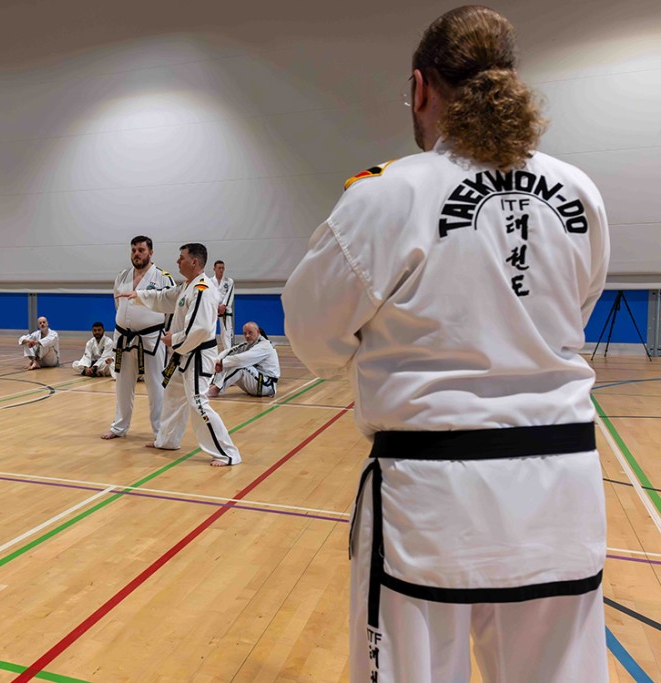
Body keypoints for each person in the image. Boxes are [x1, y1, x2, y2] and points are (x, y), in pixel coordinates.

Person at [281, 7, 610, 682]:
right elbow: (572, 312)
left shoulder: (387, 194)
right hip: (562, 492)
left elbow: (312, 333)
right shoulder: (579, 192)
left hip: (432, 500)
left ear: (420, 88)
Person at [117, 243, 241, 467]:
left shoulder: (202, 289)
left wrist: (172, 340)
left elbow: (200, 329)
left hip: (197, 355)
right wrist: (139, 295)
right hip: (183, 354)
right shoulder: (187, 286)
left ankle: (227, 453)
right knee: (173, 396)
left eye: (181, 258)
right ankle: (167, 440)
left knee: (198, 403)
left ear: (194, 262)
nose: (177, 261)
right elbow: (165, 297)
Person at [101, 235, 175, 440]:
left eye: (141, 250)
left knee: (156, 386)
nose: (137, 254)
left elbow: (171, 308)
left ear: (151, 252)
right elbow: (119, 304)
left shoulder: (163, 277)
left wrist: (169, 333)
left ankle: (160, 432)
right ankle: (119, 427)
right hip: (124, 337)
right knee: (122, 385)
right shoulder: (122, 276)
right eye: (133, 250)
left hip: (152, 338)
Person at [206, 322, 280, 398]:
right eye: (245, 333)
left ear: (258, 332)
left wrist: (222, 362)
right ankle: (212, 385)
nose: (247, 336)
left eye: (250, 332)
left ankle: (216, 390)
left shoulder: (265, 346)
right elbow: (228, 352)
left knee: (239, 365)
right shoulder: (248, 344)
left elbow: (242, 359)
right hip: (256, 382)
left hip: (266, 385)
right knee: (228, 362)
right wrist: (218, 361)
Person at [210, 260, 235, 353]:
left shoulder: (229, 281)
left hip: (225, 310)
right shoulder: (209, 281)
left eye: (222, 268)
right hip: (213, 309)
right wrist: (217, 306)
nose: (221, 270)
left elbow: (230, 295)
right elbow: (209, 295)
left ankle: (227, 353)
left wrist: (223, 306)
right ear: (214, 269)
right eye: (219, 268)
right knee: (210, 331)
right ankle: (211, 352)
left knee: (226, 333)